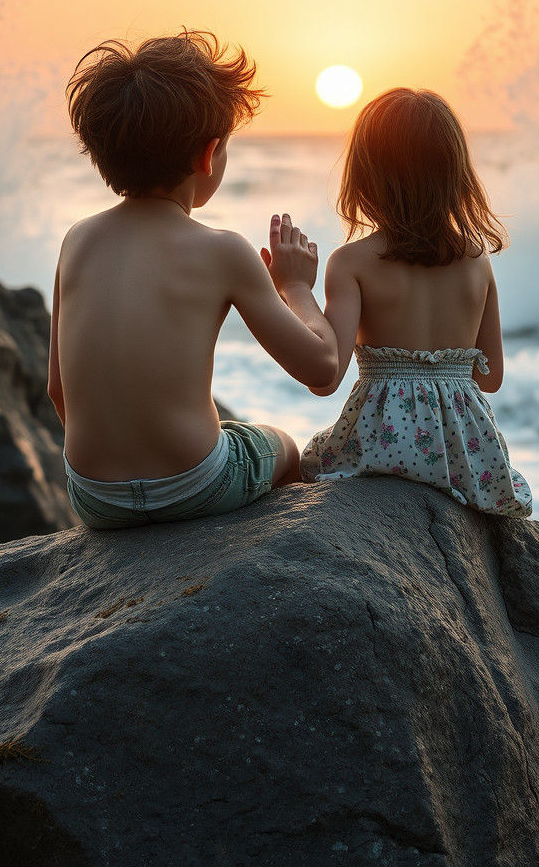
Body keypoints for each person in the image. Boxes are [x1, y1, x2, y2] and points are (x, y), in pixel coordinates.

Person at [48, 31, 337, 529]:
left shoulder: (77, 240)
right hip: (194, 484)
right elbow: (323, 370)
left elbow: (57, 389)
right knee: (282, 445)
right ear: (209, 154)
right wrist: (297, 289)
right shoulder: (223, 250)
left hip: (94, 499)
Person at [299, 87, 532, 517]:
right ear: (456, 176)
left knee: (302, 469)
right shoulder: (477, 260)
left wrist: (296, 290)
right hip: (468, 456)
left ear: (365, 176)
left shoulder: (351, 262)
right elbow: (492, 377)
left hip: (383, 443)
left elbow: (324, 380)